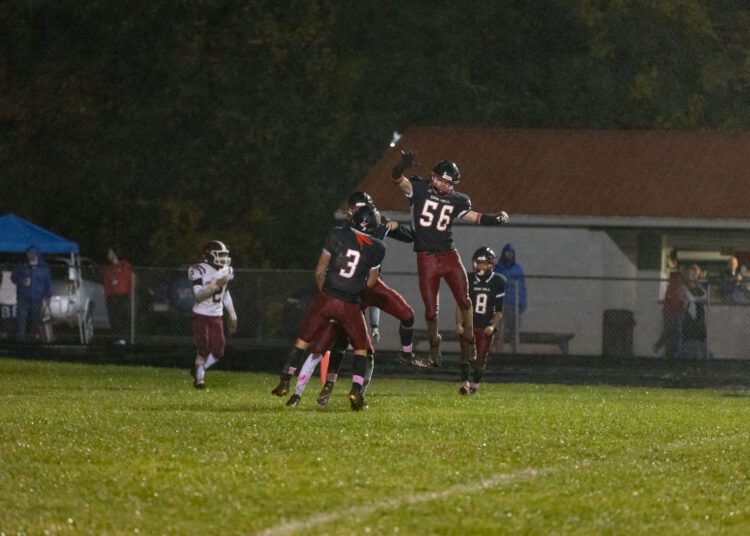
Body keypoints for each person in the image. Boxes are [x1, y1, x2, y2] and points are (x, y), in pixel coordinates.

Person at [391, 151, 510, 367]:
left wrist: (496, 219)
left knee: (465, 300)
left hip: (449, 255)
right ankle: (434, 342)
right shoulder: (418, 188)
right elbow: (397, 178)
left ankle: (470, 339)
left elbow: (477, 217)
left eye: (449, 183)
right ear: (432, 176)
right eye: (441, 180)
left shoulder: (458, 200)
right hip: (426, 258)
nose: (445, 186)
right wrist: (402, 164)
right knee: (430, 312)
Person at [271, 205, 386, 411]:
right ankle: (356, 390)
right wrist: (353, 290)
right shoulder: (378, 247)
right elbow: (371, 282)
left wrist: (326, 291)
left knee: (303, 341)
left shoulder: (337, 235)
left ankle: (285, 380)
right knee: (361, 348)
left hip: (328, 297)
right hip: (350, 303)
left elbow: (319, 271)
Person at [188, 241, 238, 389]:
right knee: (203, 349)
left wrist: (233, 315)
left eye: (224, 255)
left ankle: (199, 369)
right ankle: (199, 380)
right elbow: (198, 296)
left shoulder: (227, 270)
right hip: (201, 314)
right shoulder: (199, 269)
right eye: (220, 255)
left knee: (218, 351)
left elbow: (225, 294)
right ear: (210, 255)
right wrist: (216, 285)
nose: (223, 258)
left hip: (217, 315)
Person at [456, 247, 505, 395]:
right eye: (479, 263)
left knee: (480, 358)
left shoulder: (498, 281)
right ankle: (465, 384)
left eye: (485, 263)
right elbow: (460, 305)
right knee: (465, 355)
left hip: (485, 325)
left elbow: (499, 310)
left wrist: (493, 326)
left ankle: (475, 385)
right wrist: (458, 323)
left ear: (491, 264)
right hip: (469, 324)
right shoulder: (468, 279)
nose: (482, 266)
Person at [11, 246, 52, 342]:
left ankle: (34, 337)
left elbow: (48, 282)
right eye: (28, 253)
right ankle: (21, 339)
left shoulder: (43, 268)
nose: (28, 255)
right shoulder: (22, 266)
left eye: (31, 253)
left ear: (36, 254)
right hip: (23, 297)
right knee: (21, 318)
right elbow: (13, 277)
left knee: (35, 319)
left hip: (37, 298)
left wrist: (48, 295)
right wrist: (22, 281)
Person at [493, 243, 527, 354]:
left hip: (513, 305)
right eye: (507, 253)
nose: (509, 255)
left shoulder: (517, 269)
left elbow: (521, 287)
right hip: (499, 305)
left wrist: (522, 304)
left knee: (514, 332)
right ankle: (498, 354)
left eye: (511, 253)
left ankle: (514, 354)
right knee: (498, 333)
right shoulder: (498, 269)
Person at [103, 247, 134, 345]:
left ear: (114, 253)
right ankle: (116, 338)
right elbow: (106, 283)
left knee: (122, 317)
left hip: (122, 295)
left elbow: (131, 279)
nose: (108, 255)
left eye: (110, 252)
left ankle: (123, 338)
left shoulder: (125, 265)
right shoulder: (109, 269)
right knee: (114, 319)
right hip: (111, 297)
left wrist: (130, 292)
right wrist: (107, 295)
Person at [652, 270, 684, 358]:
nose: (679, 280)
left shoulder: (677, 288)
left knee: (674, 333)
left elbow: (678, 301)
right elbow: (673, 302)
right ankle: (661, 347)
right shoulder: (673, 288)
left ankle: (674, 351)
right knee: (672, 332)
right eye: (678, 278)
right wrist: (679, 309)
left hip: (674, 313)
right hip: (671, 313)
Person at [680, 264, 708, 359]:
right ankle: (683, 357)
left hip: (699, 313)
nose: (694, 275)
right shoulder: (684, 285)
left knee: (701, 337)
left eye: (696, 272)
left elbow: (705, 295)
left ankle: (704, 356)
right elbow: (689, 297)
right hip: (689, 313)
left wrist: (701, 280)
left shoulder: (699, 285)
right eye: (692, 272)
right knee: (688, 338)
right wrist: (697, 299)